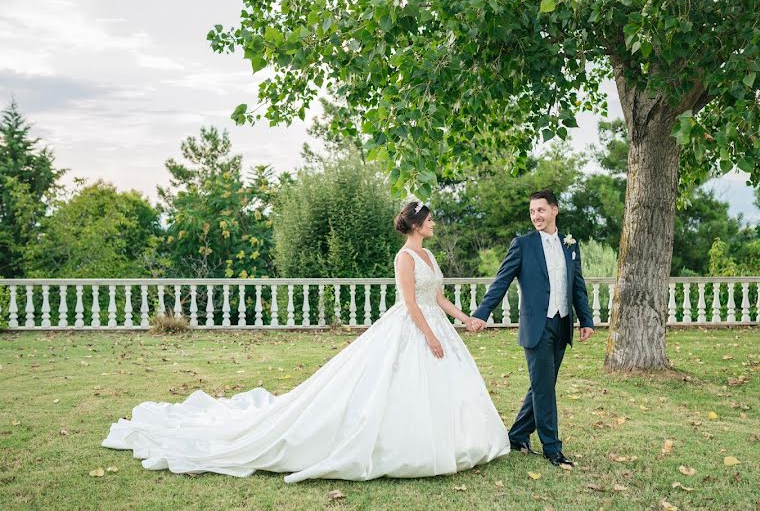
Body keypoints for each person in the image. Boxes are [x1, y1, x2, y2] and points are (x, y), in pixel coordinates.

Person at [101, 202, 510, 482]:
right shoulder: (404, 257)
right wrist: (431, 337)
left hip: (435, 323)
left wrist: (464, 319)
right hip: (413, 329)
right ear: (417, 224)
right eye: (431, 220)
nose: (434, 224)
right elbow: (410, 304)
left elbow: (437, 297)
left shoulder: (430, 258)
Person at [469, 190, 594, 468]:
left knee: (543, 385)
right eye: (532, 212)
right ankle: (552, 448)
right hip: (536, 326)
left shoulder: (570, 244)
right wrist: (481, 313)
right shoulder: (523, 245)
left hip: (562, 324)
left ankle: (517, 434)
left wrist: (585, 320)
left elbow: (578, 286)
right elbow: (501, 281)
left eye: (541, 210)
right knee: (544, 389)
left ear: (555, 210)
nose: (536, 216)